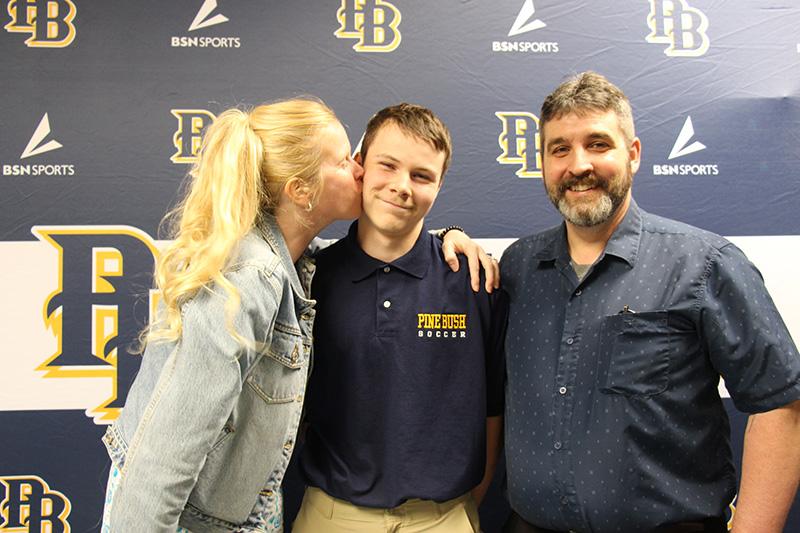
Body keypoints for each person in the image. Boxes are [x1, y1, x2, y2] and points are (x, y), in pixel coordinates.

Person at [100, 97, 492, 533]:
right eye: (346, 162)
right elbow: (164, 456)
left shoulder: (299, 265)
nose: (359, 171)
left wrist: (445, 239)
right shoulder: (252, 276)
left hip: (242, 509)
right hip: (191, 517)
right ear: (301, 190)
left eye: (421, 176)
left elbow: (387, 251)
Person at [499, 71, 800, 533]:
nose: (578, 164)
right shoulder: (517, 268)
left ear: (633, 155)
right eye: (559, 148)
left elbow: (780, 405)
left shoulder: (705, 264)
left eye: (598, 144)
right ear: (542, 162)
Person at [293, 103, 509, 533]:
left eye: (422, 175)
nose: (401, 186)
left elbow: (492, 410)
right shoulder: (310, 280)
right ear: (359, 167)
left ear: (440, 183)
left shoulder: (474, 280)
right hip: (331, 516)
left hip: (444, 517)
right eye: (387, 166)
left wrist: (460, 512)